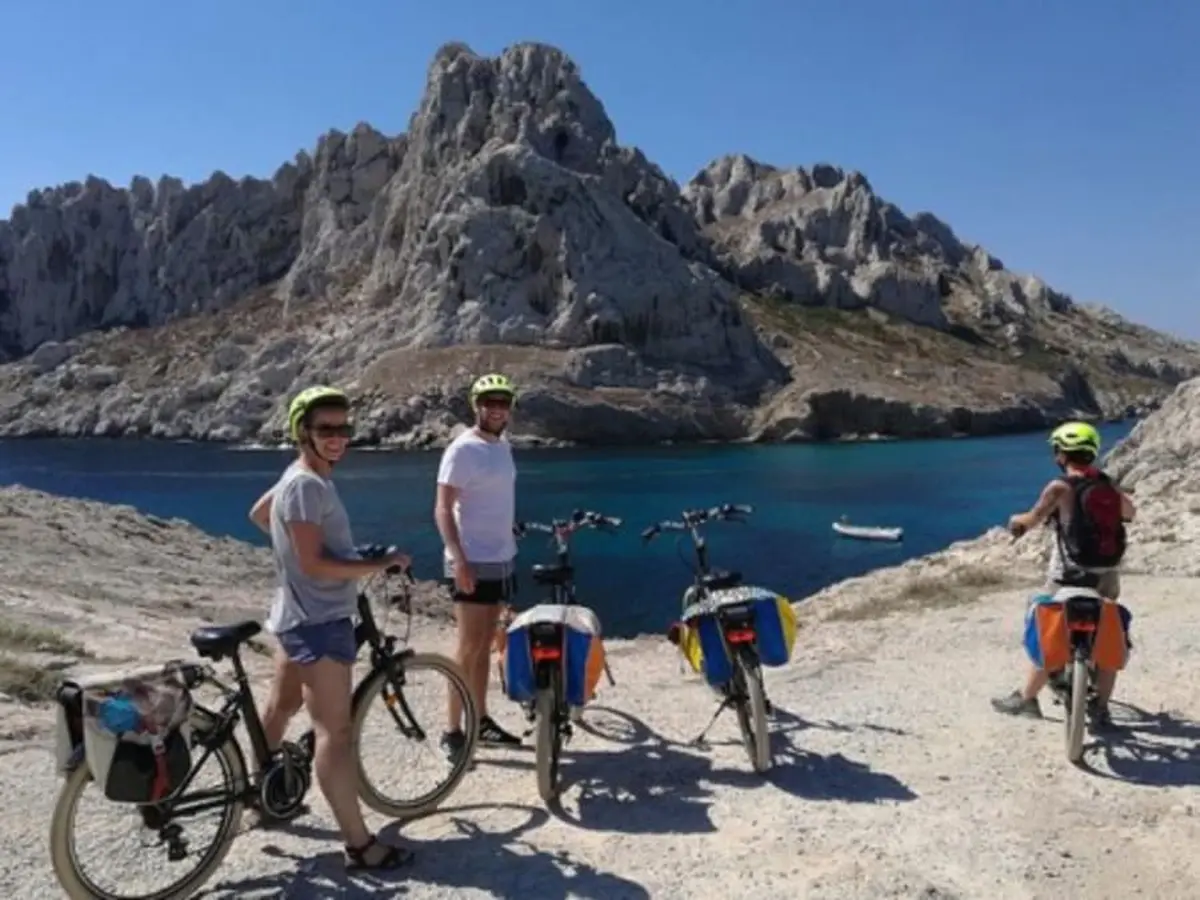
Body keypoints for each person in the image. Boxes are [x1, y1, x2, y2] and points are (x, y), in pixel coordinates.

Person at [247, 385, 413, 871]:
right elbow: (316, 562)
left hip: (293, 615)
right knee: (333, 734)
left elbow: (259, 515)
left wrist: (294, 557)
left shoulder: (298, 478)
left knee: (281, 707)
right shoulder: (307, 485)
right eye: (327, 430)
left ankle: (258, 794)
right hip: (319, 622)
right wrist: (377, 564)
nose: (338, 438)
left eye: (344, 429)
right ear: (304, 432)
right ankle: (361, 846)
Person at [991, 421, 1135, 731]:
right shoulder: (1107, 485)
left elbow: (1033, 517)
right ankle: (1100, 709)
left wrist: (1017, 524)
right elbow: (1130, 513)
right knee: (1108, 630)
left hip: (1066, 575)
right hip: (1106, 575)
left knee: (1050, 627)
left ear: (1061, 455)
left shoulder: (1059, 487)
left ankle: (1027, 699)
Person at [434, 373, 524, 761]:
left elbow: (493, 499)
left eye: (502, 402)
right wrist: (459, 559)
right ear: (476, 406)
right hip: (472, 559)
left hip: (501, 557)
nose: (496, 408)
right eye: (488, 402)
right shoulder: (462, 449)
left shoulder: (503, 446)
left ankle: (481, 720)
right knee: (467, 648)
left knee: (486, 646)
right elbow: (441, 507)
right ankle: (452, 731)